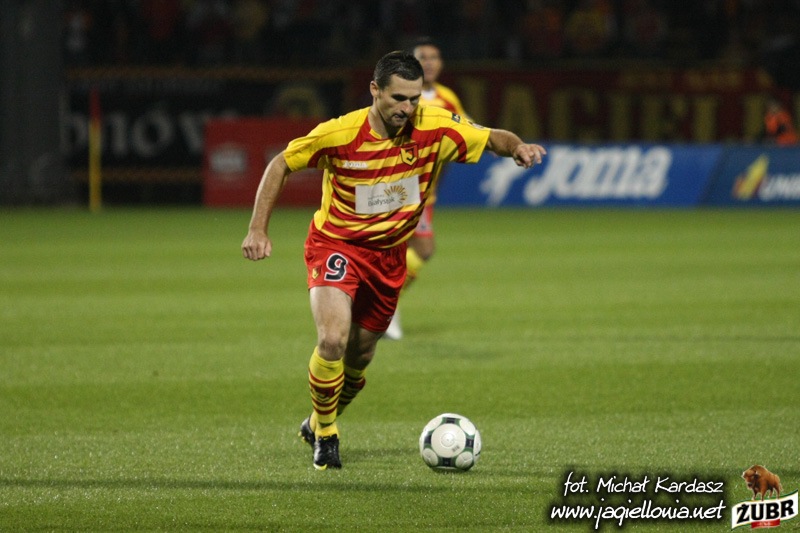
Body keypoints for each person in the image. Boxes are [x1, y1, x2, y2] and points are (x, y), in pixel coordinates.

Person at [241, 50, 546, 470]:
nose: (407, 107)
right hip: (337, 245)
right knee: (332, 339)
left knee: (359, 358)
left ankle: (316, 420)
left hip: (388, 258)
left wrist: (518, 147)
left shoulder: (435, 126)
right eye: (398, 98)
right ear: (375, 90)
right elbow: (281, 164)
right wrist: (258, 228)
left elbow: (492, 137)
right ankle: (327, 435)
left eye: (414, 99)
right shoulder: (340, 133)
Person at [384, 38, 469, 341]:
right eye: (424, 57)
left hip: (424, 192)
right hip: (398, 187)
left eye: (435, 57)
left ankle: (382, 306)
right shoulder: (402, 95)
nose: (430, 62)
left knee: (412, 251)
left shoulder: (447, 98)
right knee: (416, 248)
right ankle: (383, 307)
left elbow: (464, 131)